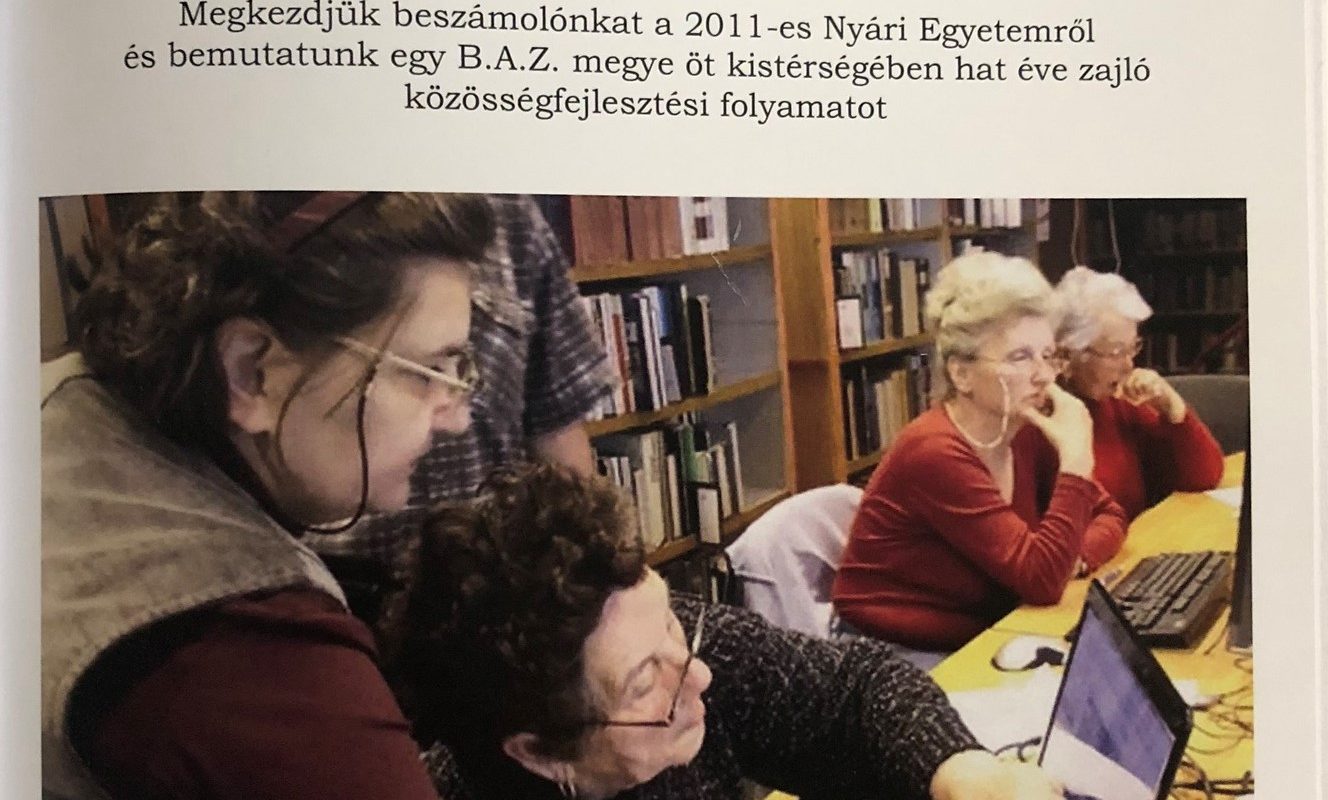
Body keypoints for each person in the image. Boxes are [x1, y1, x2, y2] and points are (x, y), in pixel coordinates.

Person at [42, 191, 493, 799]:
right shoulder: (255, 658)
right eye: (427, 372)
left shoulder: (65, 402)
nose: (456, 419)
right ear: (251, 372)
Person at [382, 463, 1065, 800]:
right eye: (645, 683)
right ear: (538, 752)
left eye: (672, 623)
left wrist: (966, 772)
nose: (699, 674)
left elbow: (852, 689)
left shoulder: (672, 649)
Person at [307, 193, 611, 623]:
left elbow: (558, 430)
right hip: (320, 594)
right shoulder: (279, 217)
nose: (458, 418)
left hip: (488, 599)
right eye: (424, 372)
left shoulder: (510, 216)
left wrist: (597, 585)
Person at [832, 252, 1128, 661]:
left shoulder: (1026, 428)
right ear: (961, 374)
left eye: (1047, 355)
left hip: (984, 633)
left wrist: (1073, 557)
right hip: (892, 653)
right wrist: (1076, 461)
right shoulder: (934, 452)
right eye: (1020, 357)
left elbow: (1110, 514)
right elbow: (1042, 581)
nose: (1043, 375)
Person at [1054, 266, 1224, 520]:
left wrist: (1173, 408)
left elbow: (1205, 477)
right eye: (1115, 352)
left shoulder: (1122, 403)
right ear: (1068, 354)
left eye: (1132, 348)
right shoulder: (1044, 420)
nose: (1129, 365)